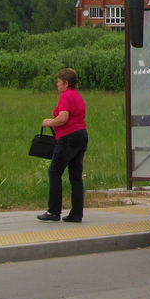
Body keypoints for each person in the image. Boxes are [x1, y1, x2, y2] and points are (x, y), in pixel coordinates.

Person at [38, 68, 87, 223]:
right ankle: (76, 213)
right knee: (76, 176)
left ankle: (53, 211)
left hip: (68, 137)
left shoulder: (65, 96)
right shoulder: (78, 97)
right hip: (81, 135)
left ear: (66, 83)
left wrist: (49, 122)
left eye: (59, 81)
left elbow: (63, 117)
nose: (57, 84)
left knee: (54, 171)